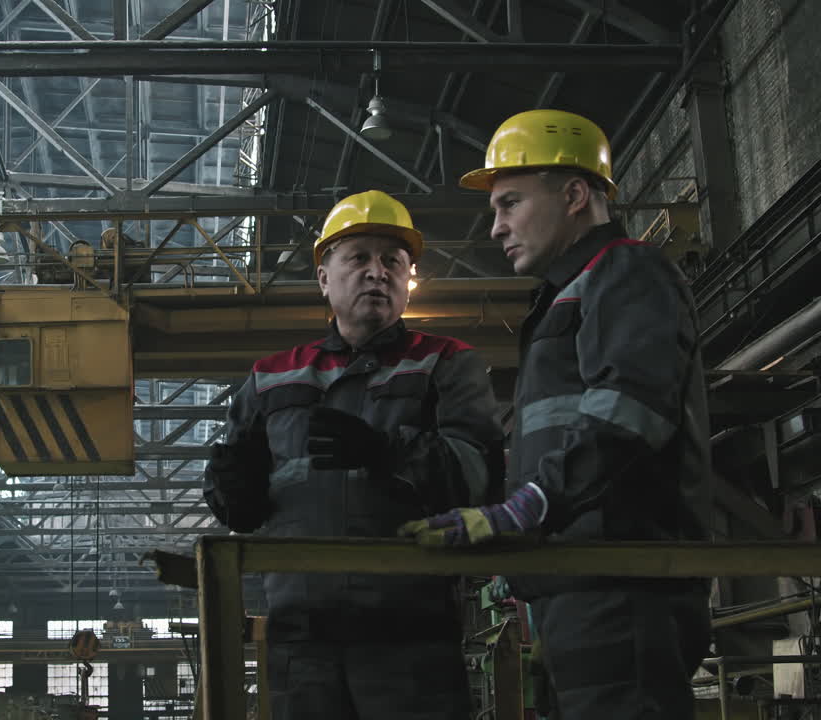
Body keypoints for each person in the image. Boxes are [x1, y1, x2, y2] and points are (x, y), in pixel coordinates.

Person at [398, 109, 713, 719]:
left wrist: (528, 507)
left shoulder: (625, 271)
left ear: (573, 194)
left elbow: (631, 410)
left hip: (623, 587)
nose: (496, 228)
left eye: (510, 203)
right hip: (579, 587)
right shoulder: (569, 293)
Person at [203, 190, 504, 720]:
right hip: (301, 636)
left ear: (408, 279)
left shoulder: (448, 364)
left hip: (411, 633)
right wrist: (230, 496)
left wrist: (389, 453)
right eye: (358, 258)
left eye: (393, 261)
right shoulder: (270, 376)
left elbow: (478, 479)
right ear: (324, 279)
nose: (376, 272)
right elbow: (242, 503)